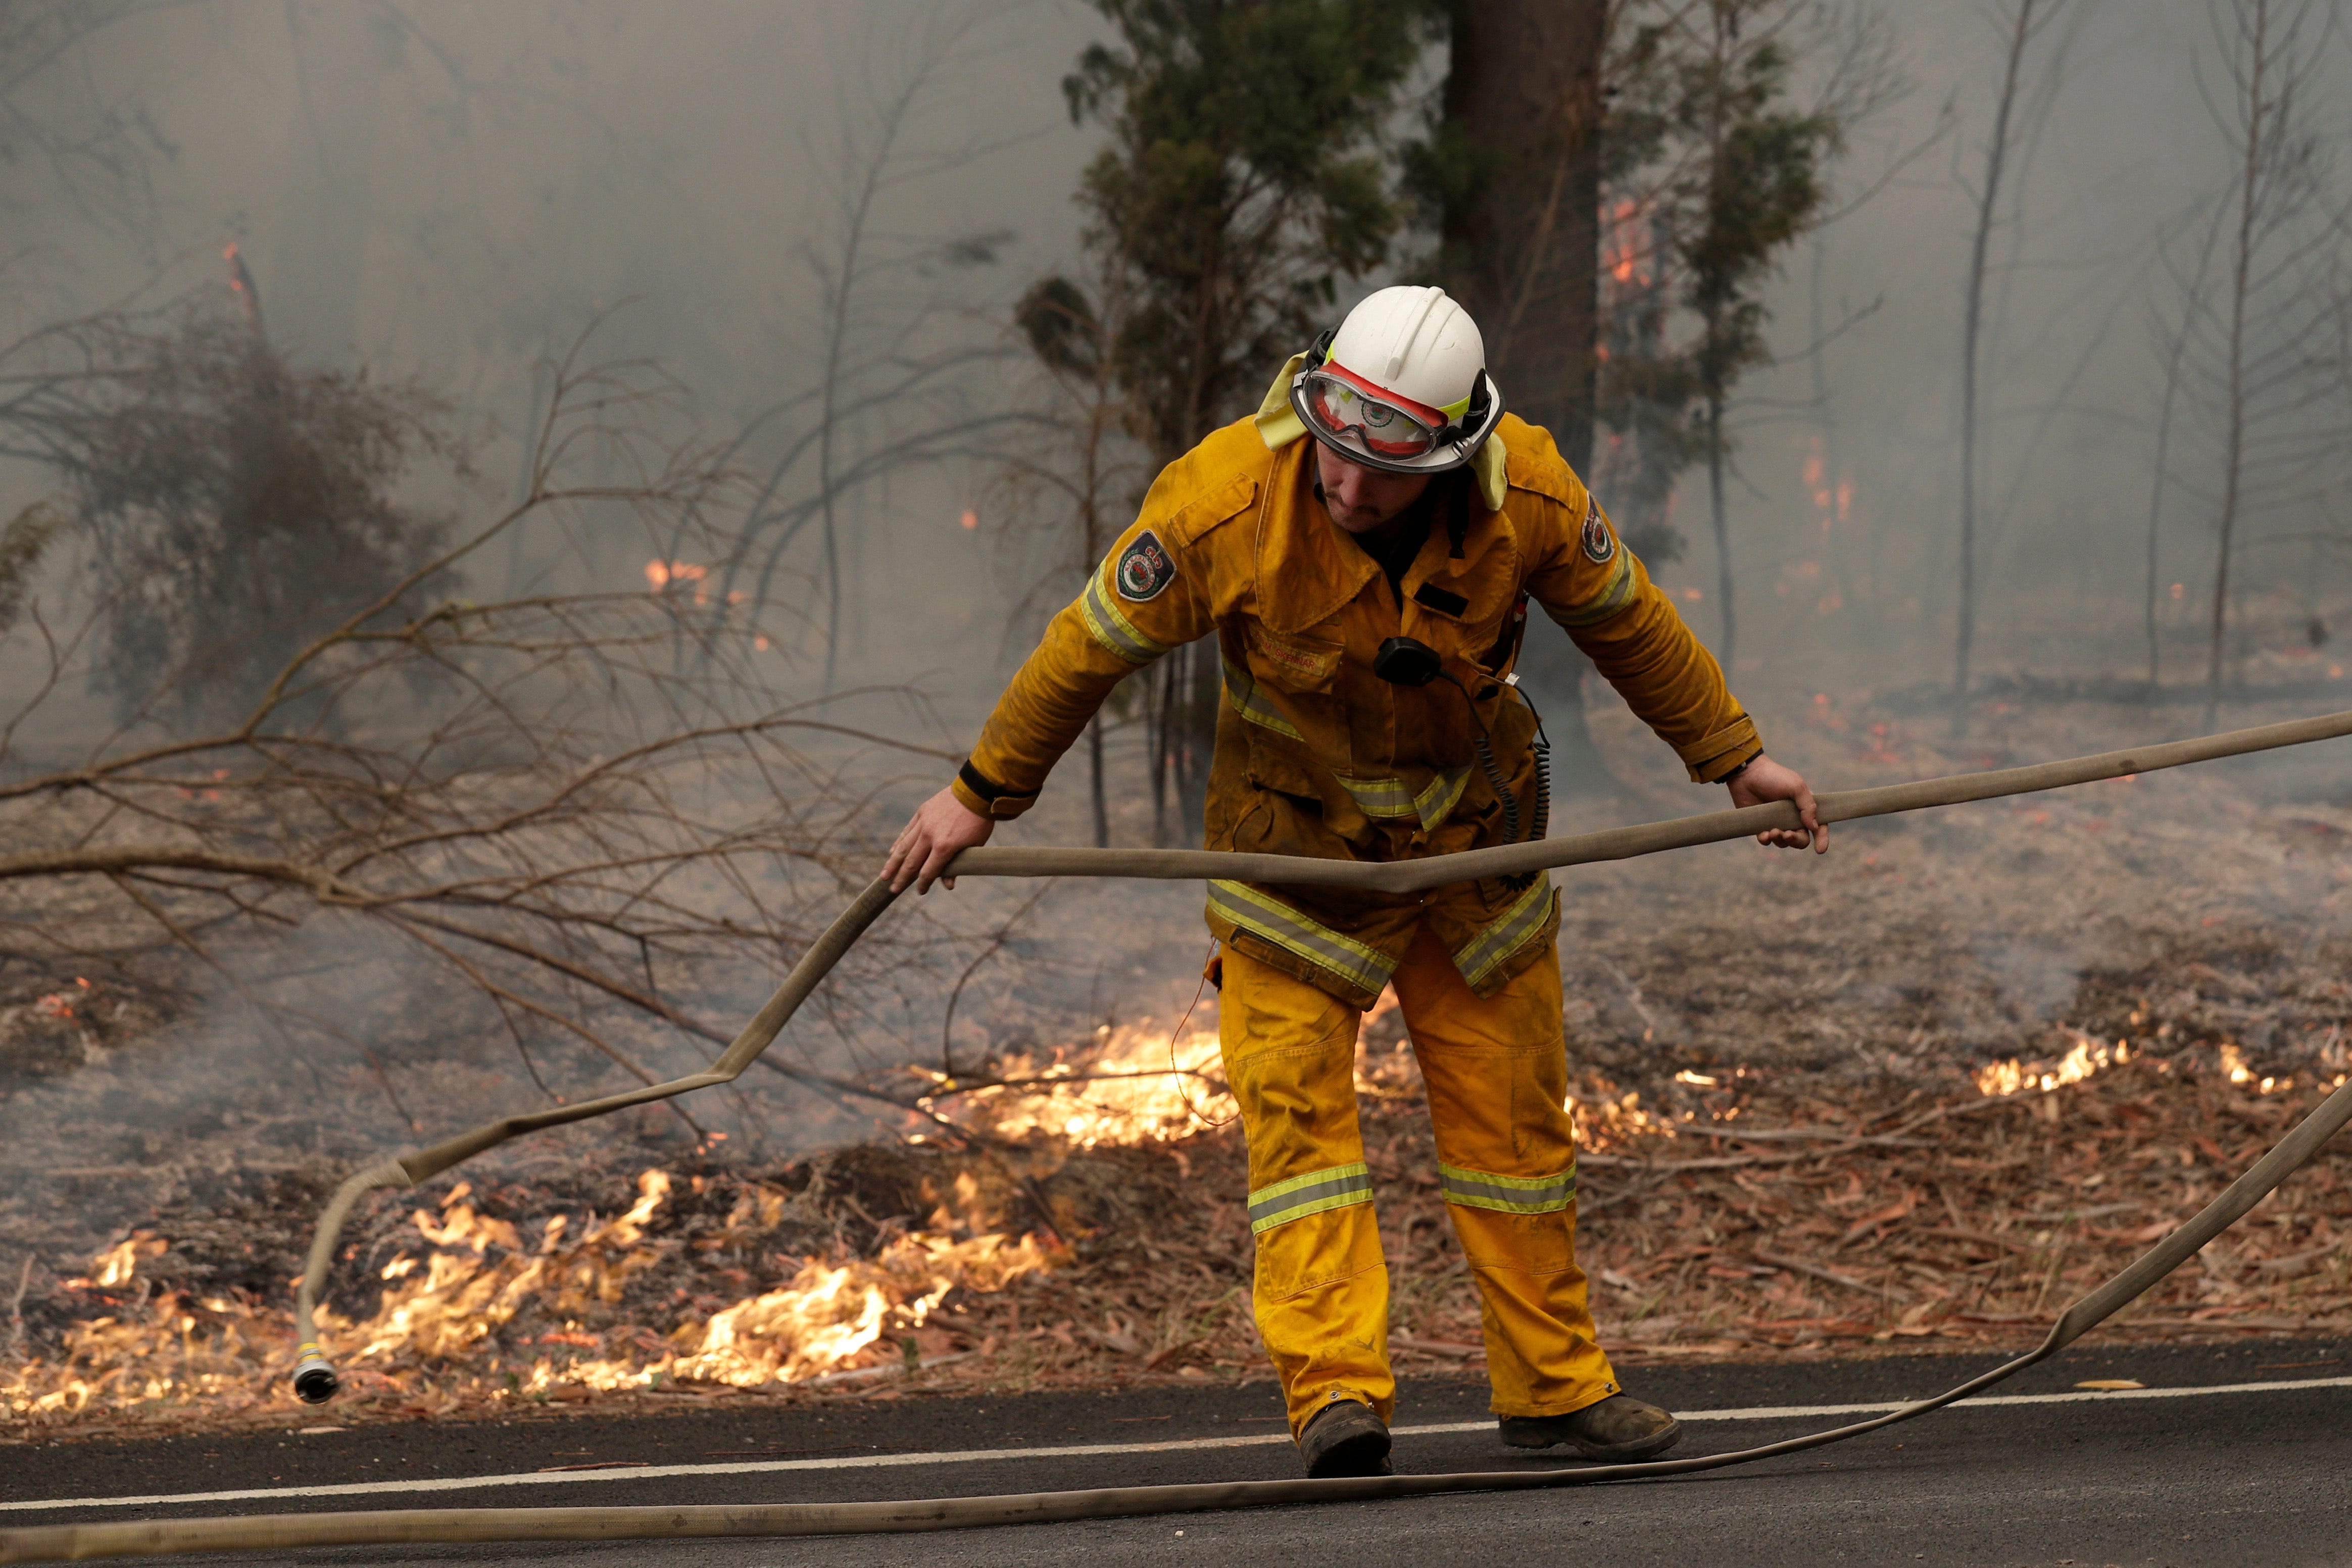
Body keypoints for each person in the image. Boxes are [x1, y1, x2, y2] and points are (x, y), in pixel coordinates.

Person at [885, 285, 1827, 1478]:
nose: (1347, 486)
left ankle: (1553, 1393)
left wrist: (1733, 757)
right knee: (1299, 1135)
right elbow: (1085, 649)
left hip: (1473, 861)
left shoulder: (1525, 494)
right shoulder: (1224, 503)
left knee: (1516, 1135)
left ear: (1451, 454)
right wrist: (979, 793)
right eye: (1333, 449)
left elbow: (1630, 623)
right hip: (1294, 866)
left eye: (1383, 469)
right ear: (1314, 405)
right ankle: (1335, 1399)